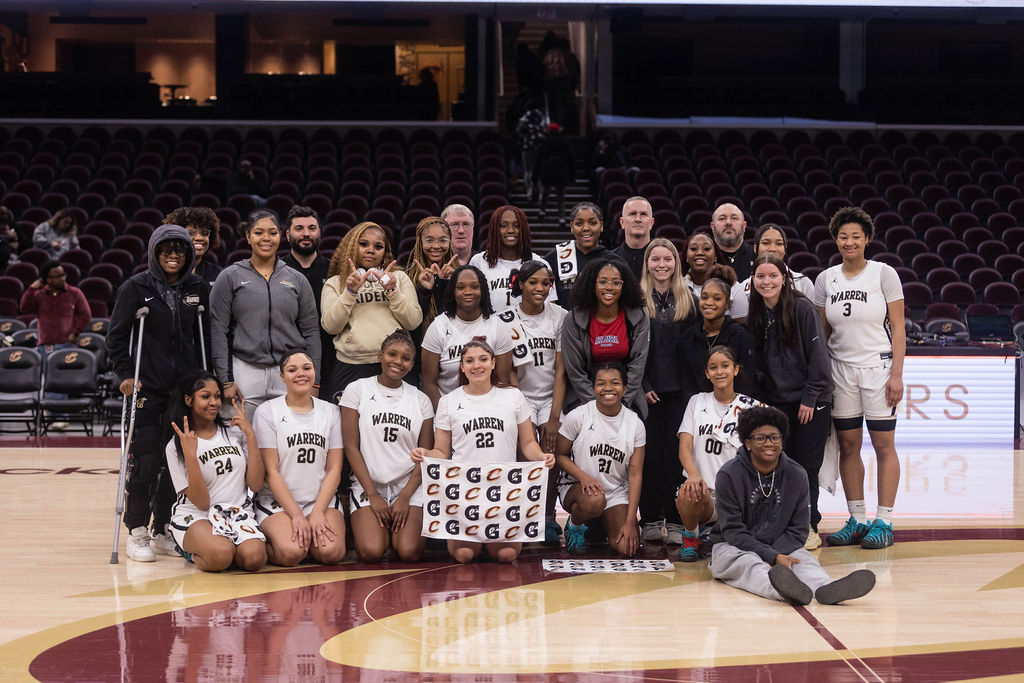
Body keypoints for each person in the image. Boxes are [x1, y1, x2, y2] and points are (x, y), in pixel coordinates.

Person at [107, 224, 209, 562]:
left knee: (176, 461)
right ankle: (137, 529)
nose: (173, 255)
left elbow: (206, 334)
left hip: (185, 392)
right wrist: (124, 374)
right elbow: (117, 336)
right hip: (146, 388)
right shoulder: (135, 287)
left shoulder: (196, 287)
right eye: (166, 249)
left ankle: (164, 526)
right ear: (154, 252)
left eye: (180, 250)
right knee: (148, 460)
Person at [708, 406, 876, 606]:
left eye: (775, 437)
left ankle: (826, 588)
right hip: (734, 546)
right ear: (748, 443)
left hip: (783, 546)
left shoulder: (797, 475)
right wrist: (771, 557)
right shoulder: (729, 475)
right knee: (749, 565)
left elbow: (798, 531)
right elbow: (733, 531)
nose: (769, 443)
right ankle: (780, 590)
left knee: (805, 562)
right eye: (761, 438)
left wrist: (777, 555)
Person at [410, 338, 554, 564]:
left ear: (494, 363)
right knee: (464, 555)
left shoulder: (513, 396)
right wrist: (425, 454)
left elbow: (527, 443)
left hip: (504, 487)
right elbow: (441, 451)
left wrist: (541, 456)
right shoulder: (449, 402)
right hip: (465, 489)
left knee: (506, 555)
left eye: (483, 359)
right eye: (470, 361)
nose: (477, 365)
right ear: (462, 367)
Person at [814, 207, 905, 550]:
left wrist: (897, 373)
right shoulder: (826, 279)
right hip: (840, 370)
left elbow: (899, 329)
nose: (849, 242)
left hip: (878, 369)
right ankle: (857, 518)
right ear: (835, 239)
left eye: (856, 236)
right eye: (843, 236)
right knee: (848, 447)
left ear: (867, 239)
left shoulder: (884, 274)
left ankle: (884, 519)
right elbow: (821, 333)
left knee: (884, 446)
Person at [748, 253, 833, 550]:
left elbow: (820, 361)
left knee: (806, 467)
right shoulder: (757, 312)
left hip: (812, 402)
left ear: (784, 278)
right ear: (753, 281)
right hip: (778, 404)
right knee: (780, 465)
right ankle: (782, 524)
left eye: (773, 275)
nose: (767, 281)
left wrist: (810, 398)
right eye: (761, 276)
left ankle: (809, 525)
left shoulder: (802, 308)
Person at [210, 210, 321, 422]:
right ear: (248, 236)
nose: (266, 238)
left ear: (280, 236)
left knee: (288, 437)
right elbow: (218, 330)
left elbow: (311, 331)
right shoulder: (230, 276)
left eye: (272, 232)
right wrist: (225, 380)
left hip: (288, 370)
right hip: (244, 370)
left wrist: (314, 381)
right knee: (239, 437)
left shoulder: (296, 279)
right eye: (259, 232)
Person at [341, 330, 434, 563]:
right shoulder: (357, 390)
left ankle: (398, 527)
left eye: (405, 358)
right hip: (369, 484)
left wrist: (405, 497)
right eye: (392, 354)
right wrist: (372, 494)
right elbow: (351, 447)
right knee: (371, 551)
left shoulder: (421, 400)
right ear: (380, 355)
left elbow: (426, 456)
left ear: (412, 365)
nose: (398, 362)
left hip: (408, 485)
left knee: (409, 551)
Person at [165, 371, 267, 572]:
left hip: (236, 511)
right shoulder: (176, 445)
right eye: (205, 396)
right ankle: (188, 548)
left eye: (218, 396)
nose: (214, 402)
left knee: (254, 559)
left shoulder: (235, 432)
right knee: (220, 556)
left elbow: (255, 485)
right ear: (188, 400)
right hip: (197, 515)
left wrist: (251, 434)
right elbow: (201, 502)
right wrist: (191, 456)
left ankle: (225, 545)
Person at [252, 350, 346, 566]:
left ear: (315, 372)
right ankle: (265, 540)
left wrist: (318, 512)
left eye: (307, 368)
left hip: (318, 500)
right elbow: (271, 471)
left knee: (330, 553)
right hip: (278, 503)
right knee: (292, 553)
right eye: (292, 370)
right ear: (282, 377)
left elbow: (334, 469)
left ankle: (310, 538)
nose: (301, 374)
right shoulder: (267, 412)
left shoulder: (331, 411)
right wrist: (295, 515)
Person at [675, 345, 763, 561]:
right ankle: (691, 536)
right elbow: (685, 446)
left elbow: (769, 448)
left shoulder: (752, 407)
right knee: (688, 492)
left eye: (725, 366)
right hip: (706, 492)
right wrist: (694, 475)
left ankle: (720, 531)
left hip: (737, 495)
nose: (719, 372)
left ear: (735, 369)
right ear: (707, 373)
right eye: (713, 367)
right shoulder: (697, 402)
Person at [502, 259, 568, 544]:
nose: (540, 288)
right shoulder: (505, 318)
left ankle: (548, 518)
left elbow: (561, 370)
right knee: (522, 456)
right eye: (533, 282)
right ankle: (522, 515)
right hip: (519, 396)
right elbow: (509, 372)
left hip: (551, 397)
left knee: (550, 453)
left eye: (545, 283)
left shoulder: (560, 316)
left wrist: (553, 417)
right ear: (521, 284)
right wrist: (525, 413)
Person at [638, 238, 696, 545]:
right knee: (649, 458)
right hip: (647, 393)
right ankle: (650, 518)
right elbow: (632, 351)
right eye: (655, 259)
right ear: (647, 263)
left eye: (668, 259)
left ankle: (675, 521)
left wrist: (690, 392)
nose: (662, 265)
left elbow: (697, 352)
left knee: (676, 458)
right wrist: (642, 386)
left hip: (681, 394)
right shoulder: (636, 299)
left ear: (676, 262)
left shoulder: (689, 299)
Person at [321, 221, 421, 399]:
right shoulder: (336, 282)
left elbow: (413, 322)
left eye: (378, 246)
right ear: (352, 246)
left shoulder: (398, 278)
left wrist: (393, 291)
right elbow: (330, 326)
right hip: (352, 366)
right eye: (364, 244)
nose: (371, 250)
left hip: (394, 364)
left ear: (384, 253)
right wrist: (350, 292)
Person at [555, 363, 645, 556]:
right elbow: (559, 454)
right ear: (594, 388)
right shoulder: (578, 416)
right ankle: (575, 526)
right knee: (594, 499)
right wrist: (584, 477)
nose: (608, 388)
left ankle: (603, 526)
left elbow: (636, 474)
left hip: (615, 491)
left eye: (615, 383)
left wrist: (631, 520)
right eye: (601, 383)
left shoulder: (635, 424)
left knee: (627, 548)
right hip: (578, 487)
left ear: (624, 388)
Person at [561, 257, 650, 421]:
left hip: (626, 397)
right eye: (602, 282)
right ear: (592, 284)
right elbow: (576, 372)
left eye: (616, 283)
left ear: (624, 286)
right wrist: (598, 407)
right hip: (584, 398)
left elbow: (637, 366)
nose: (609, 287)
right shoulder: (573, 319)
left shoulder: (638, 316)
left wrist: (621, 404)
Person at [420, 264, 514, 409]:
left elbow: (501, 381)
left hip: (489, 408)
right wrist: (446, 416)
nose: (468, 292)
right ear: (452, 291)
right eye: (461, 287)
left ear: (483, 291)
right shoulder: (438, 326)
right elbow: (428, 383)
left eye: (475, 287)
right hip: (449, 409)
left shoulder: (498, 327)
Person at [20, 259, 92, 430]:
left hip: (66, 346)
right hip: (45, 345)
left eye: (63, 274)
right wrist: (32, 288)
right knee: (50, 383)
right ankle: (54, 414)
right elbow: (24, 308)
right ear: (48, 279)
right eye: (57, 276)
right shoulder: (39, 294)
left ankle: (57, 415)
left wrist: (75, 333)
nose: (62, 278)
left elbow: (86, 314)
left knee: (62, 383)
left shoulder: (74, 292)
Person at [678, 264, 757, 401]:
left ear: (727, 304)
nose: (709, 302)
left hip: (735, 408)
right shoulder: (688, 337)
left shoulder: (740, 335)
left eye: (717, 298)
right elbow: (686, 383)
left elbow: (747, 382)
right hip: (698, 409)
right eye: (704, 297)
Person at [282, 205, 335, 397]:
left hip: (330, 358)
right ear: (288, 235)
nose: (306, 234)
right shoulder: (277, 271)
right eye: (299, 229)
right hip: (286, 355)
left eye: (312, 228)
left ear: (319, 232)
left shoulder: (334, 271)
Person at [469, 205, 549, 312]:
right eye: (503, 225)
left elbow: (549, 308)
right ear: (494, 230)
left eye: (516, 226)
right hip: (490, 327)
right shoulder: (479, 261)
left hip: (527, 327)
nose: (510, 230)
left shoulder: (540, 264)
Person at [730, 223, 815, 322]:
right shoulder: (742, 288)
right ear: (755, 248)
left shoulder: (803, 283)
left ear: (785, 248)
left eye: (779, 244)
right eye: (766, 243)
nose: (772, 249)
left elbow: (813, 323)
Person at [542, 202, 618, 305]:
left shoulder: (614, 261)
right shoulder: (555, 258)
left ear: (601, 226)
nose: (586, 228)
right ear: (571, 227)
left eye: (592, 223)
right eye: (579, 223)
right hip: (563, 320)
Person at [163, 206, 222, 289]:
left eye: (204, 233)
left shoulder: (219, 274)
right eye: (191, 233)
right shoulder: (162, 274)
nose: (199, 238)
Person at [536, 123, 575, 223]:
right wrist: (572, 175)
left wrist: (535, 175)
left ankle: (542, 211)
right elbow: (571, 158)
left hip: (547, 170)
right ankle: (561, 217)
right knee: (560, 196)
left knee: (545, 192)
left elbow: (538, 159)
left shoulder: (544, 142)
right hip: (560, 171)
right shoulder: (564, 142)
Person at [611, 196, 654, 280]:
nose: (638, 219)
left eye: (643, 214)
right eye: (632, 214)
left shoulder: (664, 260)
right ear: (622, 222)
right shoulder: (610, 259)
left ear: (651, 223)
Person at [710, 202, 754, 281]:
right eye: (722, 219)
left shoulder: (757, 256)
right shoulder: (704, 259)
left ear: (744, 226)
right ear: (712, 227)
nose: (728, 223)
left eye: (734, 218)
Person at [515, 100, 547, 201]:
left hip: (527, 147)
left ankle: (529, 192)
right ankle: (541, 193)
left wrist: (522, 143)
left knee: (528, 170)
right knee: (539, 171)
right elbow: (545, 132)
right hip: (539, 148)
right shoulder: (542, 118)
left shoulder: (524, 119)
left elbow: (518, 133)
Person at [682, 230, 724, 297]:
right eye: (693, 249)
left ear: (715, 257)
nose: (699, 253)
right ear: (686, 257)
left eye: (706, 249)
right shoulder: (675, 288)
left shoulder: (732, 287)